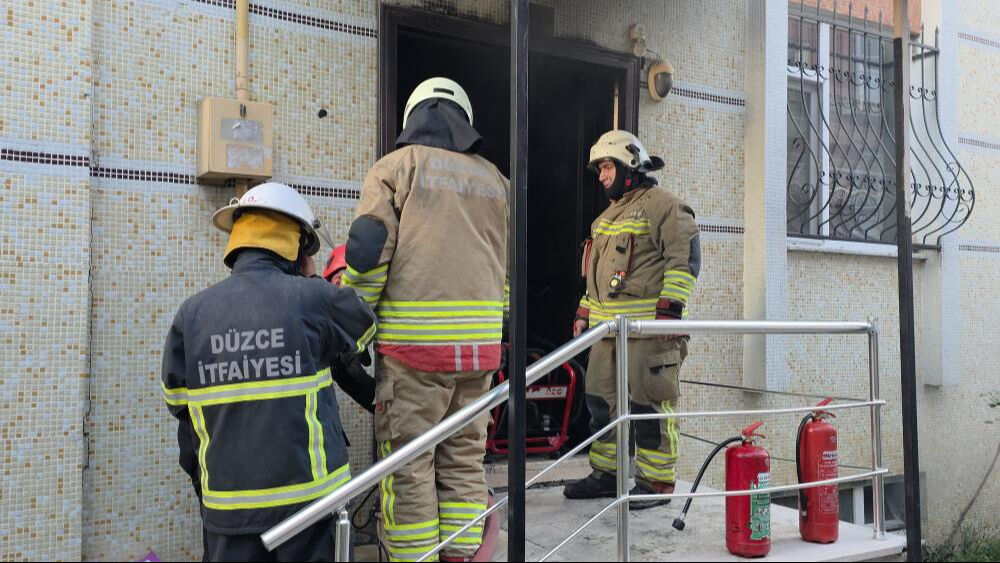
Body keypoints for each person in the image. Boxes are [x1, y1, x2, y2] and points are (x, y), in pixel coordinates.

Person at [161, 182, 377, 561]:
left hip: (226, 513)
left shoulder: (191, 315)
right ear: (297, 247)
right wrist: (312, 282)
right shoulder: (313, 298)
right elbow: (364, 327)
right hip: (308, 507)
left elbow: (182, 411)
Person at [343, 77, 508, 562]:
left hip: (413, 354)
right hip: (479, 353)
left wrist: (352, 330)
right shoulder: (495, 181)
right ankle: (461, 556)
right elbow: (502, 267)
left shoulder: (395, 168)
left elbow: (369, 255)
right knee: (462, 461)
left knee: (409, 466)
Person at [563, 130, 700, 510]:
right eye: (600, 170)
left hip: (648, 336)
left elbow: (684, 259)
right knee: (601, 405)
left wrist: (669, 311)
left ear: (630, 166)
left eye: (607, 167)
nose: (602, 176)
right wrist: (584, 310)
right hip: (606, 336)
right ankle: (607, 475)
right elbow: (595, 276)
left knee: (649, 407)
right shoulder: (605, 218)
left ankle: (656, 481)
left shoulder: (664, 206)